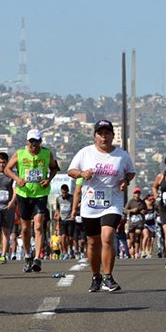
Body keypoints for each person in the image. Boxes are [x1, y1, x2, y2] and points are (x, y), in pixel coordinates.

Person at [68, 120, 135, 292]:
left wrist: (125, 181)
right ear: (95, 136)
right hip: (90, 203)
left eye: (107, 133)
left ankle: (108, 276)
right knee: (92, 243)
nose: (104, 137)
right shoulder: (85, 153)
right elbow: (71, 171)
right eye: (100, 133)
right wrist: (82, 173)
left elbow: (130, 171)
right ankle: (96, 276)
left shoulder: (121, 155)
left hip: (112, 202)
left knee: (107, 236)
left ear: (113, 135)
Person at [4, 128, 59, 273]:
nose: (34, 144)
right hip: (24, 194)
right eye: (31, 141)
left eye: (37, 141)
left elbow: (54, 168)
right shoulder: (20, 153)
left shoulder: (47, 153)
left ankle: (37, 258)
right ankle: (28, 256)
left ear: (41, 141)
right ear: (27, 141)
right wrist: (17, 179)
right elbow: (7, 169)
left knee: (39, 226)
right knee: (25, 228)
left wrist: (48, 179)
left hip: (40, 194)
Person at [123, 188, 145, 258]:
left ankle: (137, 253)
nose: (137, 194)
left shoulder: (142, 202)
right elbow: (125, 210)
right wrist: (132, 210)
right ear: (134, 194)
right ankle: (132, 249)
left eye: (138, 193)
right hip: (132, 222)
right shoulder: (130, 202)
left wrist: (144, 212)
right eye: (136, 193)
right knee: (132, 239)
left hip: (140, 221)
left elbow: (146, 210)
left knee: (138, 236)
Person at [55, 184, 74, 259]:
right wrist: (58, 214)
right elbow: (57, 208)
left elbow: (74, 206)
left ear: (68, 191)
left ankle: (71, 249)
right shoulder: (58, 199)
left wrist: (73, 214)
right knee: (62, 237)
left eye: (65, 193)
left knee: (69, 238)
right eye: (63, 192)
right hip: (62, 220)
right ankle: (65, 252)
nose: (64, 194)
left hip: (70, 220)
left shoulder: (72, 198)